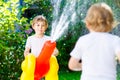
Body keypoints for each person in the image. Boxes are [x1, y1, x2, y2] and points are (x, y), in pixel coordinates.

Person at [68, 2, 120, 80]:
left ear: (87, 23)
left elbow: (72, 65)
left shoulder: (83, 40)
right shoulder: (115, 40)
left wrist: (85, 65)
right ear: (111, 23)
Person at [24, 15, 59, 79]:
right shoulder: (30, 38)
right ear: (33, 26)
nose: (40, 27)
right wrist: (27, 56)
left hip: (44, 65)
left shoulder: (49, 39)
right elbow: (26, 51)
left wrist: (52, 54)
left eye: (43, 25)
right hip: (34, 65)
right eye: (38, 25)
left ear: (46, 27)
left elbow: (56, 51)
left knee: (53, 60)